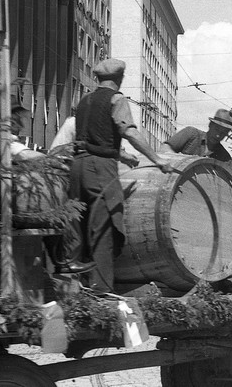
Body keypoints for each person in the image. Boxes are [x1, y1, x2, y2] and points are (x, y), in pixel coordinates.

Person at [65, 58, 173, 291]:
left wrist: (122, 156)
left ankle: (74, 288)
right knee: (105, 227)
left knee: (78, 225)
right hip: (100, 170)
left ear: (98, 78)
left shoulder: (84, 100)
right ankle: (103, 292)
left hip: (77, 166)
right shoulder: (117, 99)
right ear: (119, 79)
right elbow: (129, 132)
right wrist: (157, 160)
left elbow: (92, 137)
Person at [160, 107, 232, 169]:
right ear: (210, 125)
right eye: (217, 130)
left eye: (223, 133)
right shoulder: (191, 134)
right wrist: (176, 164)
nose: (218, 135)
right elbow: (165, 148)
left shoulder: (225, 158)